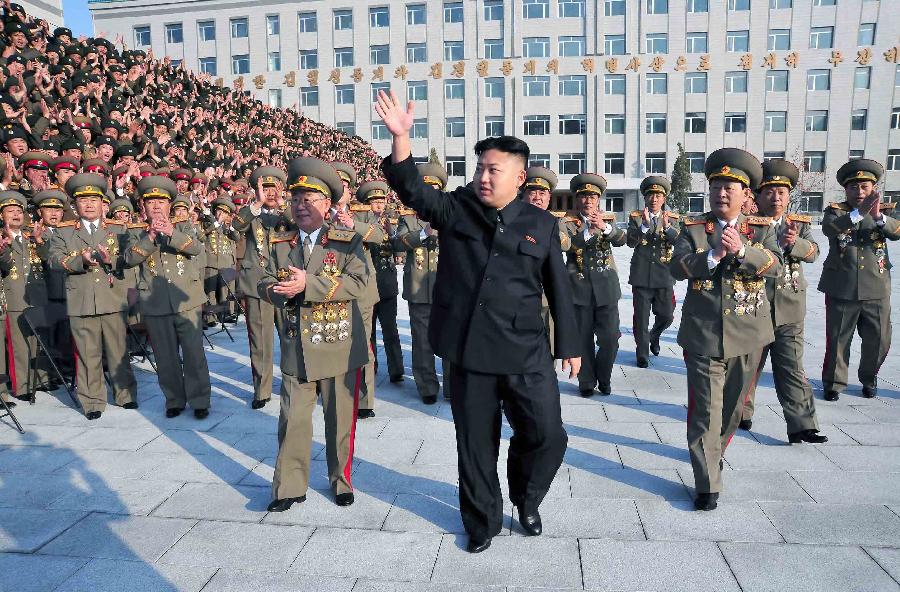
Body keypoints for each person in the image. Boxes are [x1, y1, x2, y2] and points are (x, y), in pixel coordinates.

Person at [376, 90, 580, 553]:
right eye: (481, 168)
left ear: (519, 176)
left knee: (547, 434)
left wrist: (569, 345)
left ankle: (527, 498)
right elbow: (413, 190)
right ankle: (482, 521)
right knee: (474, 446)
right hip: (468, 352)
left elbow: (558, 289)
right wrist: (402, 140)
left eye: (495, 170)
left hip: (525, 352)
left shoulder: (542, 223)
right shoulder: (457, 209)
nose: (484, 177)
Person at [669, 148, 782, 511]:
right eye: (716, 185)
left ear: (746, 194)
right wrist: (714, 255)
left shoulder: (760, 230)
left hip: (749, 334)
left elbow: (776, 267)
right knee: (705, 410)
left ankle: (713, 453)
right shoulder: (694, 229)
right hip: (703, 334)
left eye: (731, 187)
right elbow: (677, 268)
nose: (721, 193)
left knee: (733, 409)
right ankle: (707, 483)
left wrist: (744, 251)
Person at [259, 157, 369, 511]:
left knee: (339, 422)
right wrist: (273, 289)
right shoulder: (279, 242)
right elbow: (259, 278)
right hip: (296, 346)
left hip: (337, 343)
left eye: (310, 199)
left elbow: (358, 282)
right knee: (292, 420)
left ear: (326, 204)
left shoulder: (346, 240)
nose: (301, 206)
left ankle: (341, 481)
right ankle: (289, 486)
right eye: (296, 199)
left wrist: (309, 284)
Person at [739, 159, 827, 444]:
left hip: (790, 307)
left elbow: (812, 252)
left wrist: (795, 244)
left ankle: (802, 424)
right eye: (769, 192)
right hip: (755, 306)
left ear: (789, 196)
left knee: (792, 367)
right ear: (758, 196)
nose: (776, 198)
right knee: (749, 366)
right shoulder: (749, 225)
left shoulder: (798, 224)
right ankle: (741, 413)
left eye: (782, 193)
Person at [48, 173, 138, 419]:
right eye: (83, 200)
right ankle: (92, 402)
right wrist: (80, 260)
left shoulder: (118, 229)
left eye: (93, 200)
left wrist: (112, 260)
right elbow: (54, 259)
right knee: (88, 354)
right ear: (75, 204)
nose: (88, 205)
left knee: (118, 351)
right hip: (82, 300)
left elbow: (130, 258)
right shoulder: (64, 232)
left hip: (112, 298)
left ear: (102, 204)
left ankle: (125, 394)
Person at [124, 176, 211, 419]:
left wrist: (170, 232)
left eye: (161, 202)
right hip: (154, 301)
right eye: (150, 202)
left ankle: (200, 399)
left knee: (194, 353)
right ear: (142, 206)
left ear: (169, 205)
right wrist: (150, 237)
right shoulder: (135, 232)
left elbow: (196, 248)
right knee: (165, 355)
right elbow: (129, 258)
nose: (156, 207)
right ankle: (174, 399)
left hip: (187, 299)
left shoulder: (183, 225)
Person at [819, 159, 899, 401]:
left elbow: (896, 232)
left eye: (865, 187)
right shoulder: (836, 211)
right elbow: (829, 230)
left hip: (876, 287)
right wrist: (857, 214)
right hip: (841, 286)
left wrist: (878, 218)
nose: (859, 192)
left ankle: (869, 378)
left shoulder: (884, 211)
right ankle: (834, 383)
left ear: (874, 188)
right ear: (846, 190)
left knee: (879, 339)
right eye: (853, 187)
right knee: (839, 338)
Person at [231, 166, 290, 409]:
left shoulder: (289, 212)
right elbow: (237, 225)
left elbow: (298, 222)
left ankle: (295, 383)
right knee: (260, 340)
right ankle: (262, 389)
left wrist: (283, 202)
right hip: (257, 283)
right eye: (265, 188)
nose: (270, 192)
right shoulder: (250, 213)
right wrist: (257, 203)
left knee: (292, 336)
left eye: (274, 187)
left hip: (287, 282)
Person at [391, 164, 451, 403]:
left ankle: (452, 387)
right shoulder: (409, 219)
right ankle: (427, 386)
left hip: (447, 288)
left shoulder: (450, 215)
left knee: (449, 339)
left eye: (434, 189)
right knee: (422, 341)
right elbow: (397, 243)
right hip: (418, 290)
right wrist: (425, 233)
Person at [566, 173, 626, 396]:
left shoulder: (607, 219)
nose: (588, 201)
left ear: (599, 199)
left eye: (593, 197)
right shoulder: (567, 221)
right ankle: (586, 381)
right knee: (583, 340)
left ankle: (605, 377)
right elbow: (568, 245)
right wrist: (588, 232)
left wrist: (605, 228)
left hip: (607, 291)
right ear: (577, 199)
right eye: (584, 196)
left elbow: (622, 240)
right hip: (579, 290)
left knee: (610, 339)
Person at [338, 162, 382, 419]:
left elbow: (378, 236)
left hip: (363, 287)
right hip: (332, 286)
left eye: (344, 186)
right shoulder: (318, 212)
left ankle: (365, 399)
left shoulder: (361, 213)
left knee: (362, 342)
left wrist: (352, 224)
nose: (340, 189)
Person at [520, 166, 578, 355]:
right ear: (523, 194)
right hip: (518, 298)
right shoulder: (510, 220)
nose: (537, 197)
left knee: (549, 348)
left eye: (543, 193)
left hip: (546, 296)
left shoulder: (555, 222)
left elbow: (565, 244)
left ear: (549, 198)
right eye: (532, 192)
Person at [0, 190, 49, 403]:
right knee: (19, 344)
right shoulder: (2, 239)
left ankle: (39, 380)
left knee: (36, 342)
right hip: (14, 297)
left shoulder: (32, 235)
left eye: (19, 211)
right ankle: (22, 386)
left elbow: (49, 261)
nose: (16, 214)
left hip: (36, 296)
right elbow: (5, 266)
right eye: (10, 211)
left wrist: (39, 242)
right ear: (2, 216)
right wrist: (5, 246)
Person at [626, 176, 680, 368]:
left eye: (658, 195)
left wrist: (667, 228)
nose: (654, 199)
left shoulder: (672, 219)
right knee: (640, 318)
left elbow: (680, 242)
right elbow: (630, 242)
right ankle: (642, 354)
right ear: (645, 198)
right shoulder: (636, 218)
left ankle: (654, 335)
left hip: (664, 275)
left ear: (664, 199)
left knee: (667, 315)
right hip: (641, 275)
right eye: (650, 195)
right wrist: (645, 226)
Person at [357, 180, 404, 383]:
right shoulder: (361, 225)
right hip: (368, 284)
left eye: (382, 201)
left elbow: (399, 251)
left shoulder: (390, 223)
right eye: (374, 201)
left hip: (386, 285)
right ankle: (371, 367)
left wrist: (391, 233)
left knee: (390, 330)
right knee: (369, 333)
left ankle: (396, 369)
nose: (379, 205)